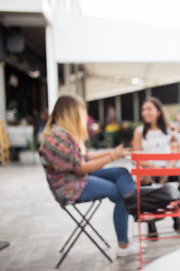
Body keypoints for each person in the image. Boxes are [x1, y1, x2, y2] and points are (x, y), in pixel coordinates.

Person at [39, 94, 140, 257]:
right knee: (120, 193)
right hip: (70, 187)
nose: (84, 117)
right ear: (70, 113)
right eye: (81, 112)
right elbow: (81, 168)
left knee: (121, 172)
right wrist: (112, 157)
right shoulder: (56, 138)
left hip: (77, 179)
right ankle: (124, 243)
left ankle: (135, 203)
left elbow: (84, 156)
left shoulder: (63, 134)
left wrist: (112, 153)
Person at [132, 97, 180, 238]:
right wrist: (154, 168)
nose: (145, 112)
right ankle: (151, 222)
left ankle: (175, 205)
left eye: (149, 109)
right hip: (149, 169)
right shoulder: (139, 131)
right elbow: (136, 156)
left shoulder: (170, 129)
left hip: (167, 168)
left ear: (158, 111)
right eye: (143, 110)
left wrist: (167, 169)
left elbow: (174, 151)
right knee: (143, 180)